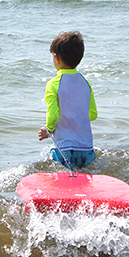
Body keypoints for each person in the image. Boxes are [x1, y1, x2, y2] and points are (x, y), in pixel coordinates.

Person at [38, 31, 97, 169]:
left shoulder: (53, 84)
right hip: (86, 148)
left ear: (56, 57)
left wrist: (49, 129)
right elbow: (93, 114)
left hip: (63, 149)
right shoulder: (85, 82)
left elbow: (52, 113)